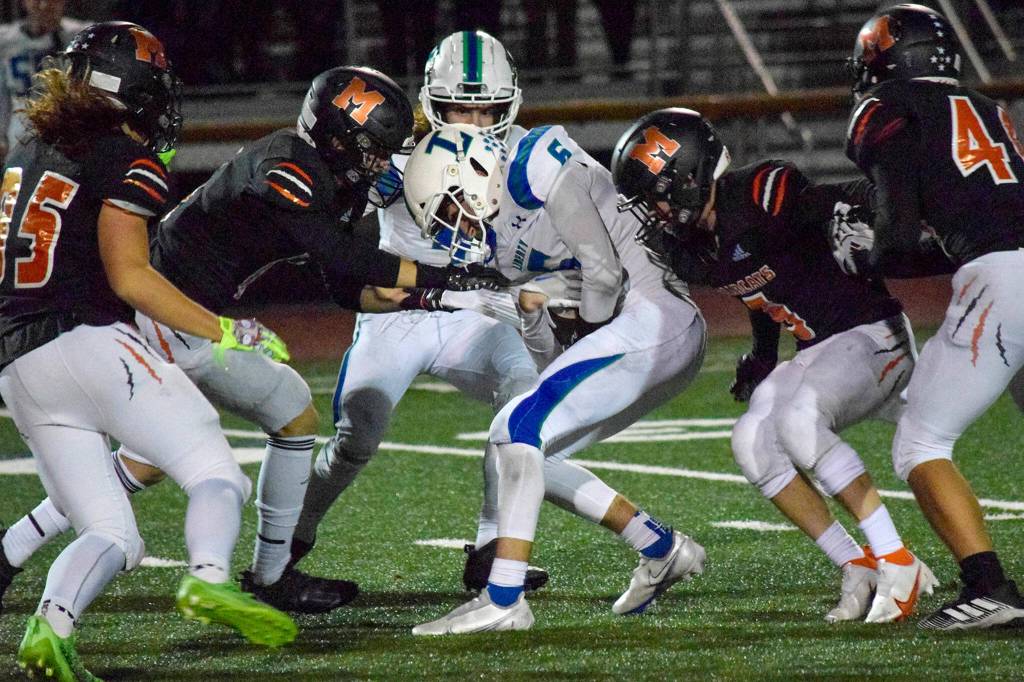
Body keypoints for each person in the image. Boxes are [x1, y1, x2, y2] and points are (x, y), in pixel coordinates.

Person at [0, 64, 510, 617]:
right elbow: (343, 256)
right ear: (339, 138)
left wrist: (425, 297)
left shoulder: (328, 179)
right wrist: (449, 274)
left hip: (181, 314)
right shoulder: (287, 164)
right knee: (273, 421)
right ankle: (264, 576)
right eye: (374, 151)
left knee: (165, 456)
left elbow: (343, 287)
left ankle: (11, 552)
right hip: (171, 313)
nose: (381, 164)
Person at [0, 21, 297, 679]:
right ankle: (209, 578)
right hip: (86, 340)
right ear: (130, 91)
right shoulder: (123, 157)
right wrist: (225, 330)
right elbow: (130, 277)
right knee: (215, 469)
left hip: (17, 365)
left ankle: (49, 632)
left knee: (111, 533)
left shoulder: (26, 149)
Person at [610, 107, 947, 623]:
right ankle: (856, 564)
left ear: (688, 178)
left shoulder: (761, 194)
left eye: (654, 195)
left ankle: (897, 559)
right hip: (823, 349)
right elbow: (757, 289)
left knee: (798, 421)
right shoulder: (693, 246)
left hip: (875, 334)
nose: (652, 212)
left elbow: (844, 197)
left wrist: (891, 224)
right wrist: (764, 354)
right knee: (751, 441)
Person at [405, 122, 709, 635]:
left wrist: (585, 326)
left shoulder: (532, 166)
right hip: (649, 332)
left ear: (475, 176)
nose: (455, 228)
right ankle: (661, 548)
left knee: (517, 429)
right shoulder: (503, 251)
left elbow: (604, 273)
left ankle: (504, 599)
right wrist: (533, 316)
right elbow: (552, 358)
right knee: (518, 449)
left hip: (658, 318)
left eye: (452, 210)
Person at [293, 30, 549, 590]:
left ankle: (492, 546)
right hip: (399, 311)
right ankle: (291, 535)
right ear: (433, 103)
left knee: (523, 398)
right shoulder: (393, 150)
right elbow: (334, 233)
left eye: (488, 110)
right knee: (357, 437)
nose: (475, 123)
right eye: (461, 108)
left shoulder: (526, 155)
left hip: (477, 309)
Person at [841, 3, 1024, 629]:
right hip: (1008, 262)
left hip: (1002, 278)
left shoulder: (886, 109)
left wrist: (862, 258)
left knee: (920, 441)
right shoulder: (985, 105)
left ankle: (989, 589)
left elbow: (894, 244)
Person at [0, 0, 89, 164]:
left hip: (67, 135)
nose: (44, 6)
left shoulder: (84, 37)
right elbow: (2, 93)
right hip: (20, 135)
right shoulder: (5, 40)